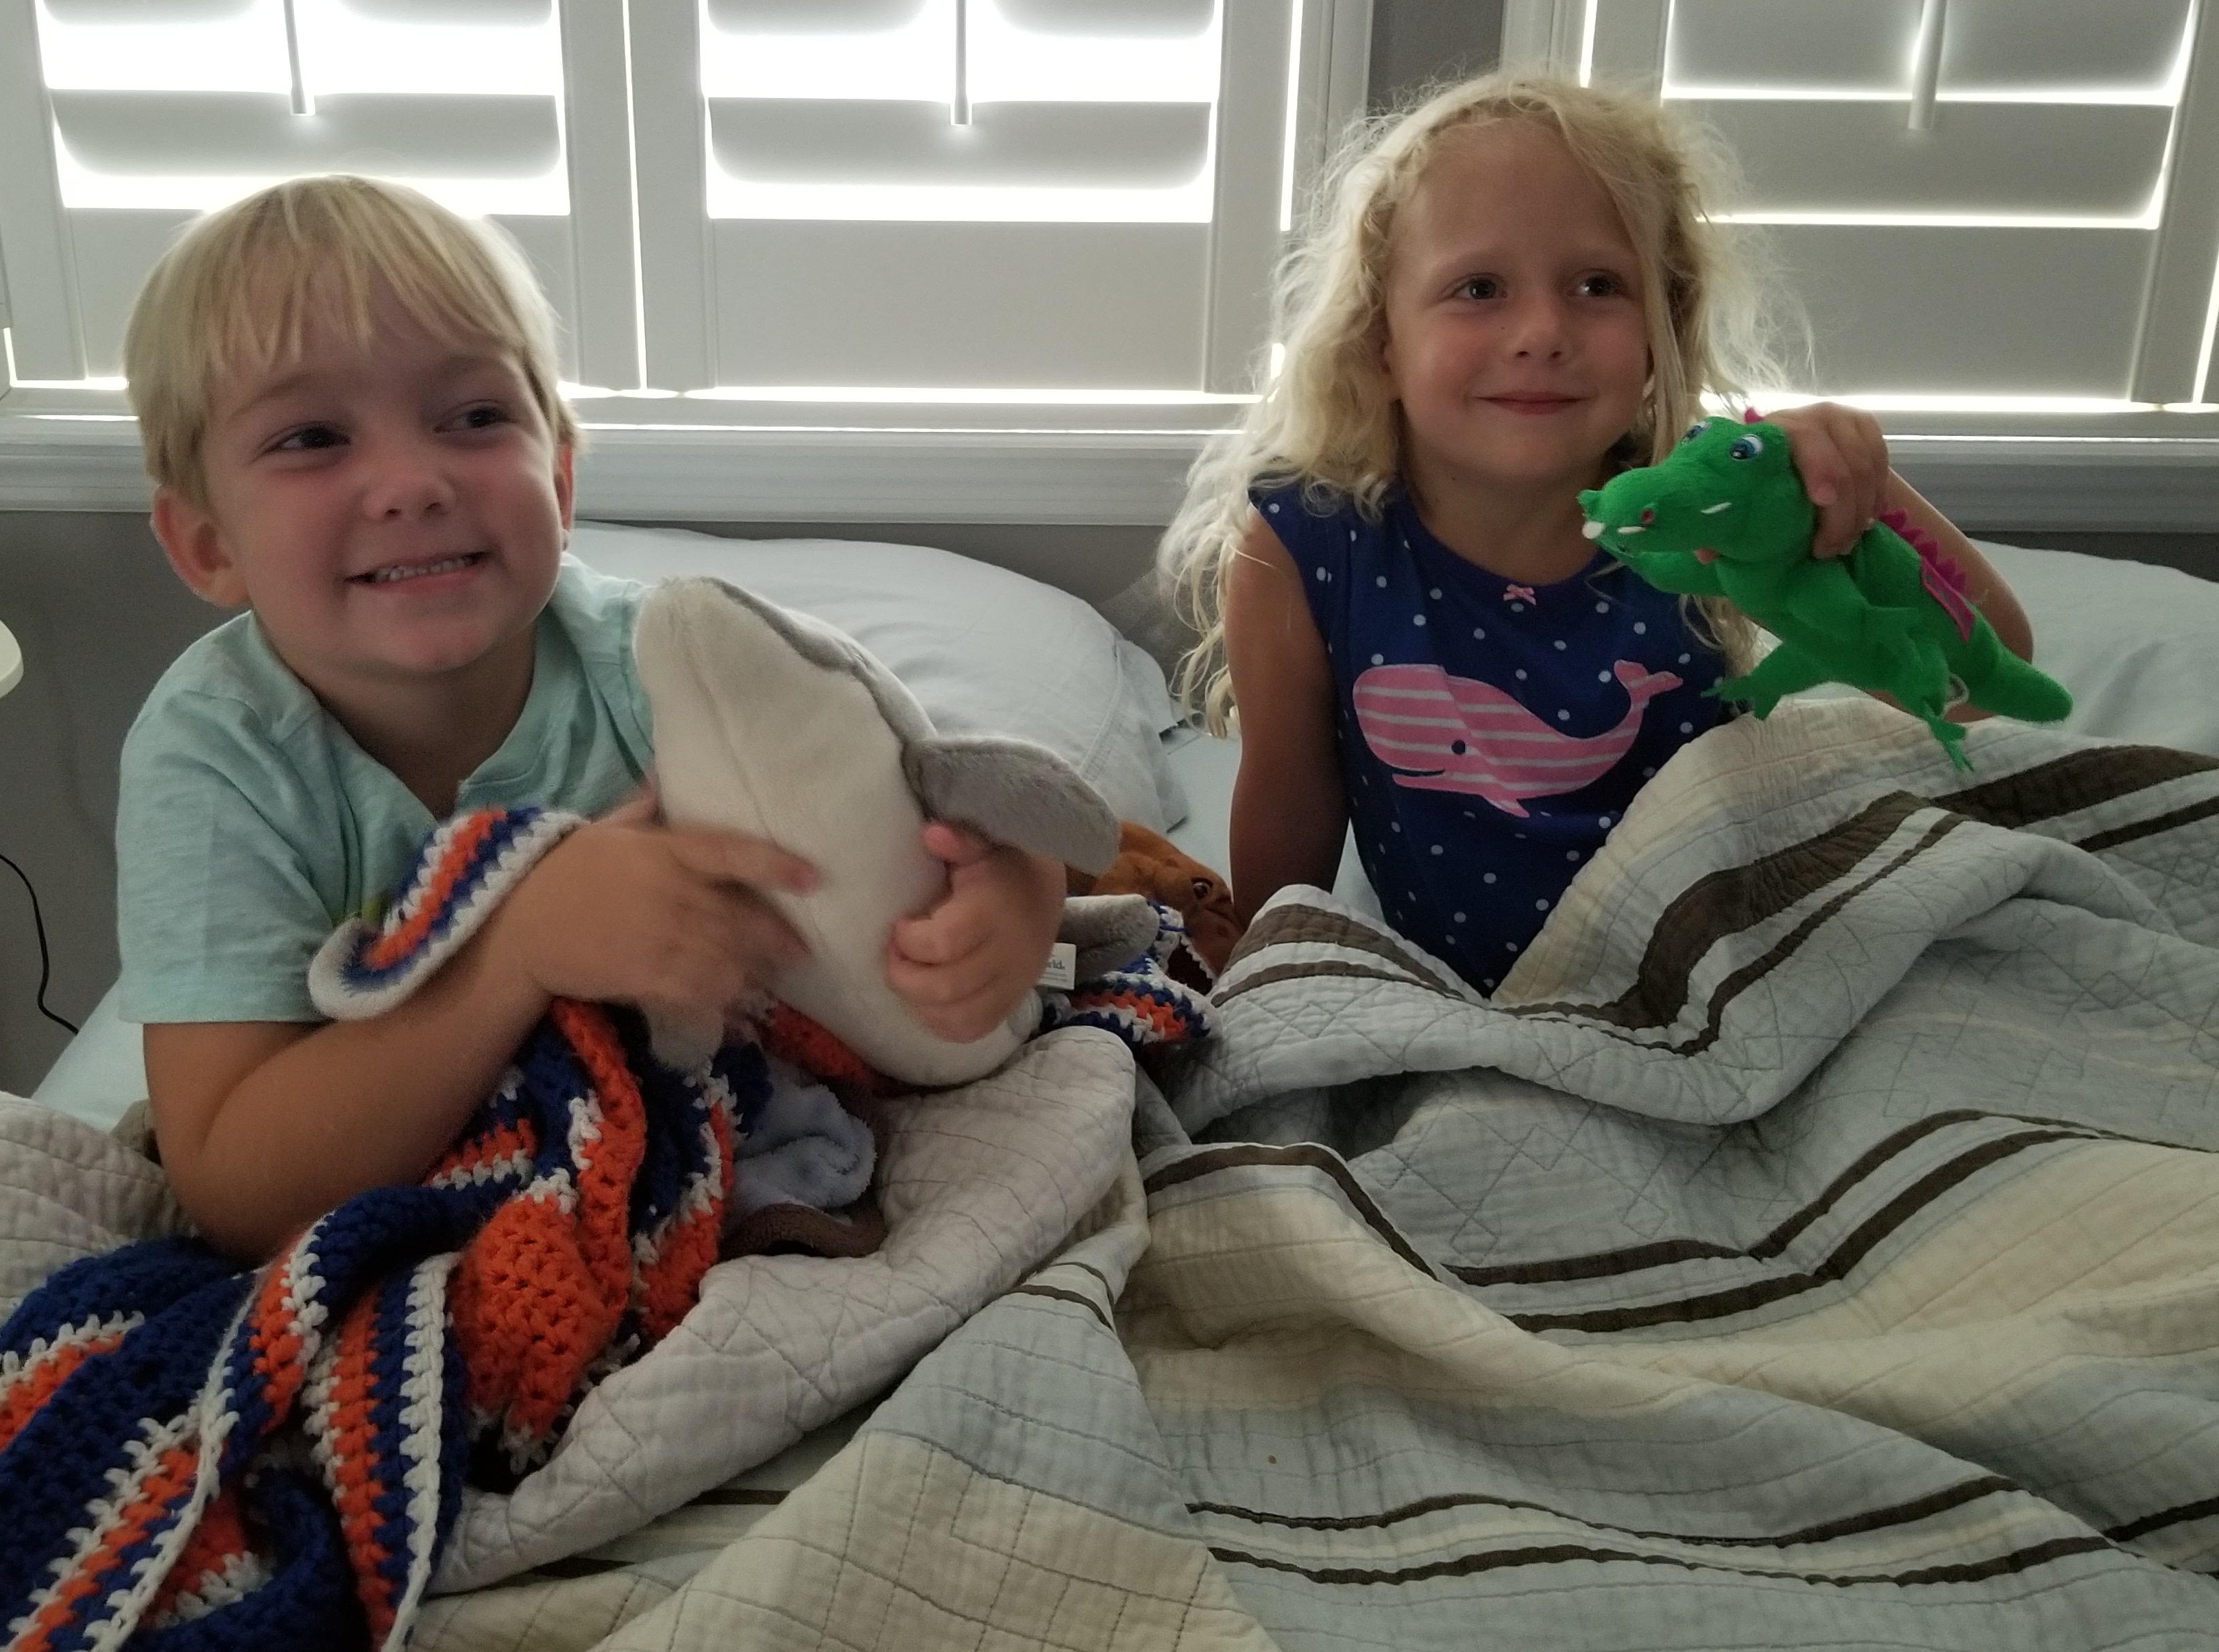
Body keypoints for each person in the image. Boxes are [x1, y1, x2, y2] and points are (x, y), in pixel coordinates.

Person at [114, 176, 1066, 1259]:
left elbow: (928, 828)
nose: (412, 482)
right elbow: (233, 1184)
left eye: (475, 418)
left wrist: (1010, 908)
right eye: (313, 437)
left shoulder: (678, 668)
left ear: (561, 482)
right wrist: (517, 956)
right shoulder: (219, 756)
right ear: (208, 546)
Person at [1161, 71, 2033, 994]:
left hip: (1716, 971)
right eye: (1479, 288)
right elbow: (1291, 798)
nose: (1542, 330)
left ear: (1663, 330)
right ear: (1380, 343)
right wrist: (1264, 991)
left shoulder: (1709, 515)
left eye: (1597, 285)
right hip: (1453, 995)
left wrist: (1861, 492)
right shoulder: (1309, 539)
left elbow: (1981, 686)